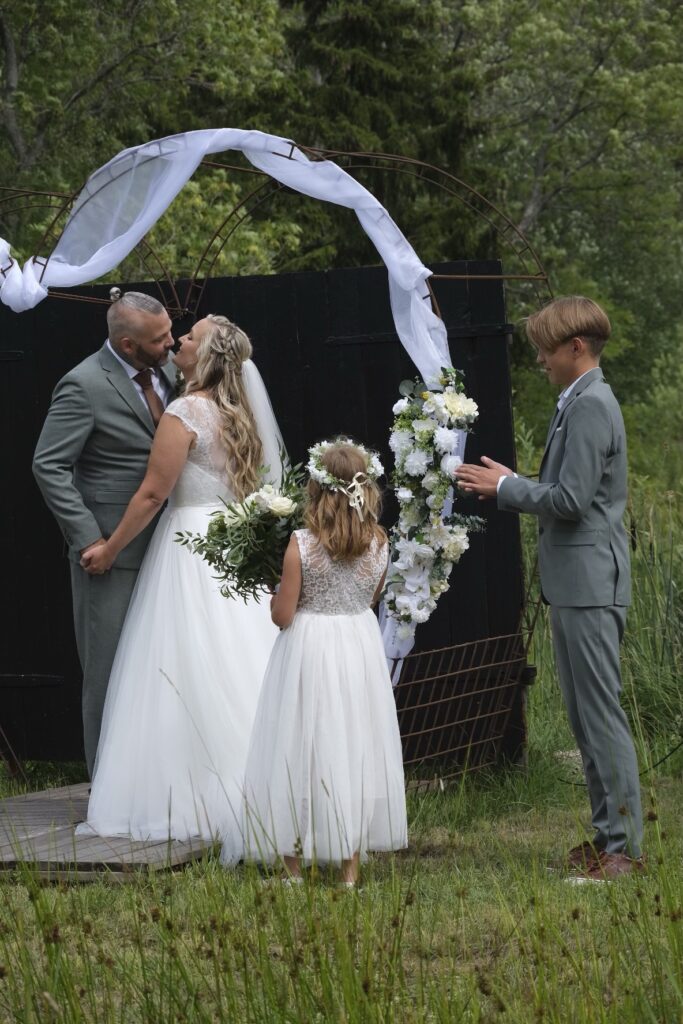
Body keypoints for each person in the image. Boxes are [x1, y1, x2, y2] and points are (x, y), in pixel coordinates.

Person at [456, 296, 643, 880]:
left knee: (600, 716)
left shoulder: (591, 406)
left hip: (591, 585)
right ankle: (608, 837)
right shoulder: (580, 401)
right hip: (576, 584)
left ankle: (624, 850)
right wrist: (513, 482)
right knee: (585, 719)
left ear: (576, 347)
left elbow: (571, 500)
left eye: (545, 350)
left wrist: (506, 487)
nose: (540, 360)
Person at [77, 314, 282, 841]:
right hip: (232, 544)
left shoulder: (186, 411)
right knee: (240, 657)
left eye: (189, 337)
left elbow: (152, 494)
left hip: (190, 545)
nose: (179, 342)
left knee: (181, 664)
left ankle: (192, 797)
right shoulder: (241, 413)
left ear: (205, 356)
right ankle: (265, 791)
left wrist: (110, 548)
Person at [236, 440, 408, 885]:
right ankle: (350, 871)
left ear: (316, 489)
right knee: (353, 747)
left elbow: (283, 615)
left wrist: (274, 592)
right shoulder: (380, 544)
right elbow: (370, 599)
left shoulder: (302, 545)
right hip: (357, 649)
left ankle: (292, 869)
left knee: (299, 748)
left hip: (309, 652)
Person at [33, 292, 176, 775]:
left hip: (172, 546)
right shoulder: (84, 384)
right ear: (128, 345)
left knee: (165, 665)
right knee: (109, 670)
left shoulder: (170, 373)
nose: (172, 343)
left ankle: (156, 777)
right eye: (160, 339)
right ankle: (106, 786)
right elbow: (48, 465)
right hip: (113, 554)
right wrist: (89, 538)